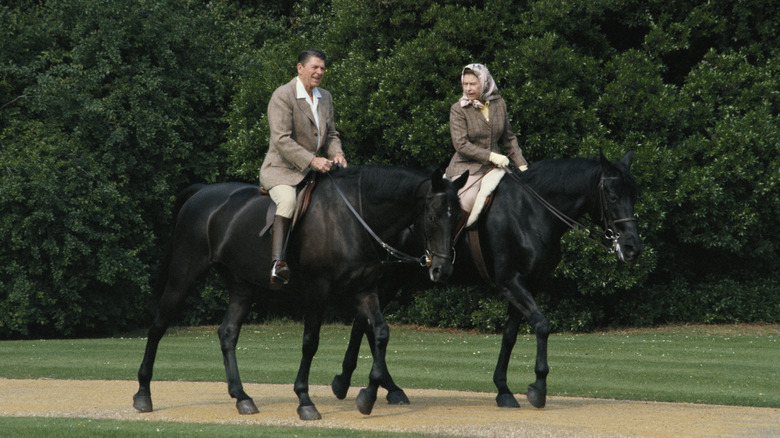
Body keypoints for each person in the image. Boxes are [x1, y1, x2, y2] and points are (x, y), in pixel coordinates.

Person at [260, 49, 348, 289]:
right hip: (281, 169)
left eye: (322, 68)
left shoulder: (325, 97)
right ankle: (277, 264)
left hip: (313, 170)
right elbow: (281, 139)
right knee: (287, 201)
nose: (319, 72)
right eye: (314, 67)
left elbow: (331, 135)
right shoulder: (283, 95)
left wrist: (337, 153)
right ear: (300, 68)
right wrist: (312, 160)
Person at [445, 63, 528, 227]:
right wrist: (491, 155)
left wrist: (522, 165)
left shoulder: (499, 104)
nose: (468, 89)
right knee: (466, 201)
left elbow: (509, 138)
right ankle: (452, 246)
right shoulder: (458, 109)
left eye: (473, 84)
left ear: (484, 83)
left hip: (494, 167)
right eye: (465, 84)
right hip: (467, 166)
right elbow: (461, 144)